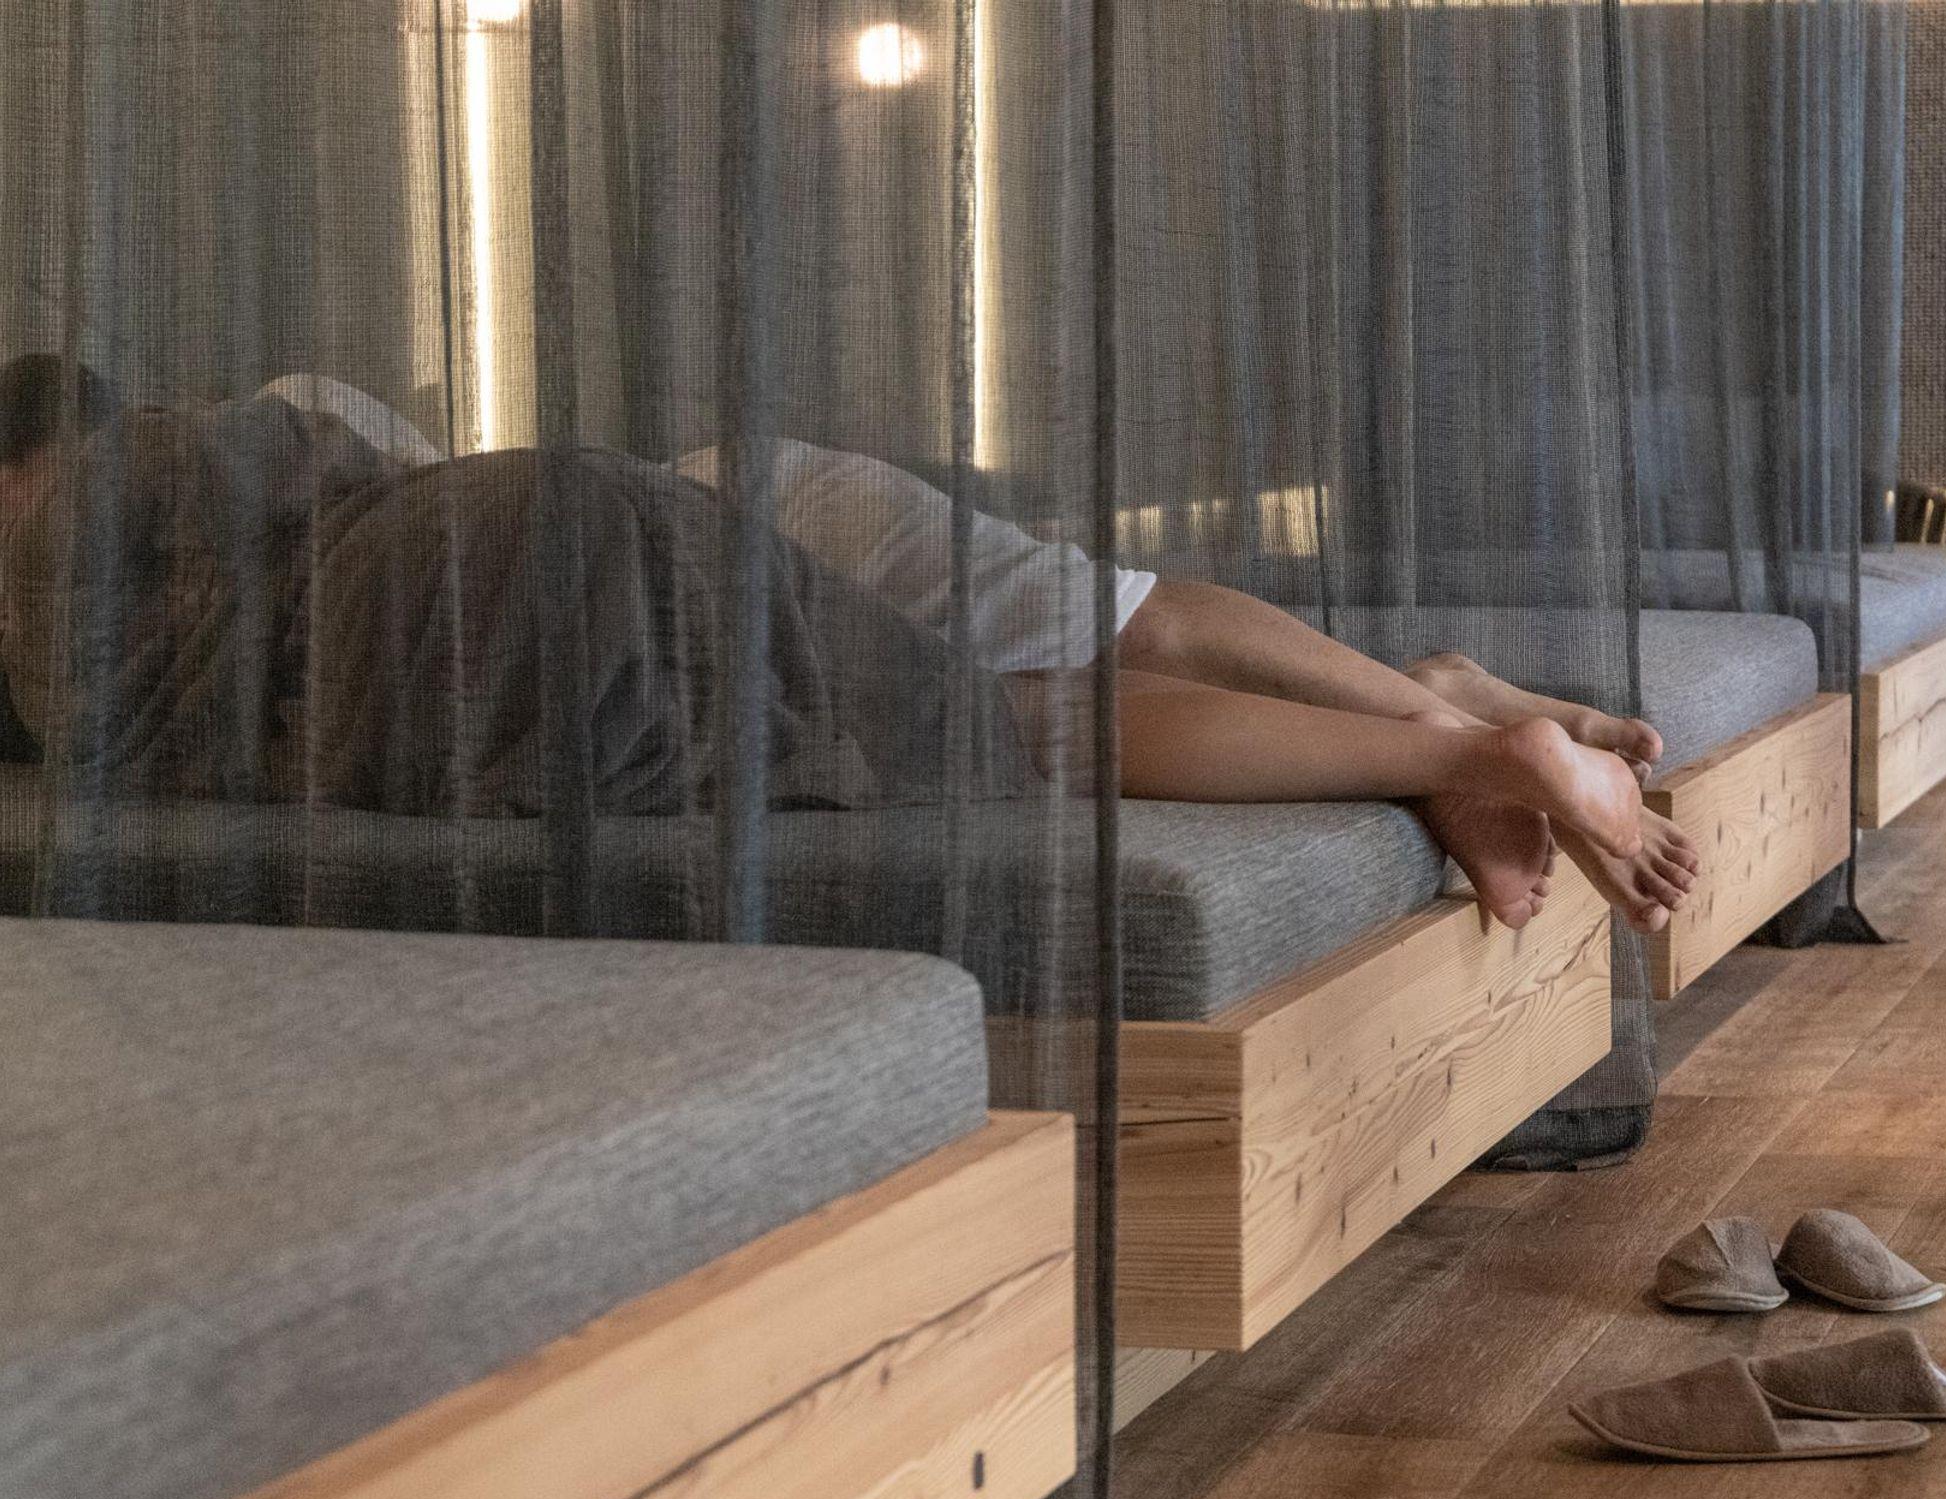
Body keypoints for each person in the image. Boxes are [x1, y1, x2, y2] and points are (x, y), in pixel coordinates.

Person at [0, 361, 1693, 932]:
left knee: (1022, 716)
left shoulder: (97, 502)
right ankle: (1449, 732)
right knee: (1033, 680)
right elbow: (342, 467)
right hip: (574, 524)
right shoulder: (218, 471)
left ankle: (1453, 737)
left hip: (523, 597)